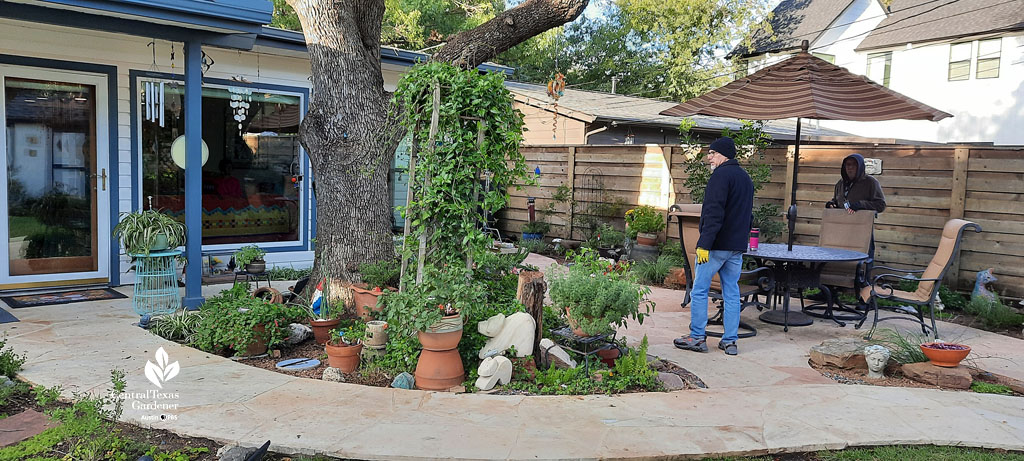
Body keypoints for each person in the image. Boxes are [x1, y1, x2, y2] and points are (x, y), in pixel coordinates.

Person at [674, 137, 753, 356]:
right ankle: (730, 341)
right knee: (731, 292)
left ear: (723, 154)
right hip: (736, 247)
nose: (708, 157)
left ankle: (697, 337)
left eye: (712, 153)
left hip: (716, 246)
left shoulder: (720, 176)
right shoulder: (745, 178)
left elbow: (714, 213)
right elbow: (748, 215)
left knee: (699, 290)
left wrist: (704, 244)